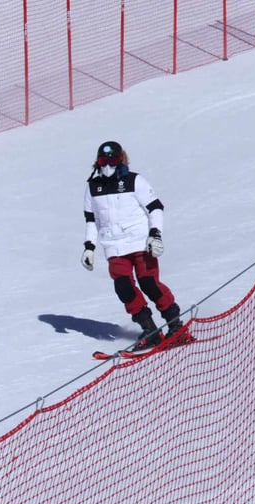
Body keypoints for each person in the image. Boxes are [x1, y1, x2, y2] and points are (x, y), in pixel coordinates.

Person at [80, 141, 188, 350]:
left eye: (112, 161)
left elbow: (155, 207)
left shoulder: (134, 181)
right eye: (103, 161)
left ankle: (176, 325)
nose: (108, 166)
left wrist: (155, 235)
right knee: (123, 287)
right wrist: (89, 247)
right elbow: (91, 220)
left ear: (121, 160)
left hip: (140, 243)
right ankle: (150, 329)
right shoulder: (92, 187)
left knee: (149, 283)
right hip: (114, 246)